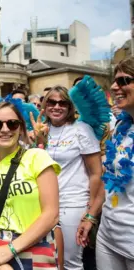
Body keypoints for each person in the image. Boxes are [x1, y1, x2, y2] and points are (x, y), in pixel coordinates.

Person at [0, 101, 60, 270]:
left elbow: (51, 214)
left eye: (12, 123)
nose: (5, 129)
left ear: (21, 128)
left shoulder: (37, 157)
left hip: (35, 245)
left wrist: (11, 249)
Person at [38, 86, 103, 270]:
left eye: (62, 103)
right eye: (51, 102)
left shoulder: (81, 129)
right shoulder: (40, 130)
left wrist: (90, 211)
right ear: (45, 105)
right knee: (48, 258)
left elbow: (96, 173)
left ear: (69, 106)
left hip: (72, 204)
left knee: (70, 262)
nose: (56, 107)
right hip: (43, 205)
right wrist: (37, 141)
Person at [97, 56, 134, 270]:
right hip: (108, 235)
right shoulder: (121, 127)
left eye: (123, 80)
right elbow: (108, 177)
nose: (113, 87)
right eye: (114, 80)